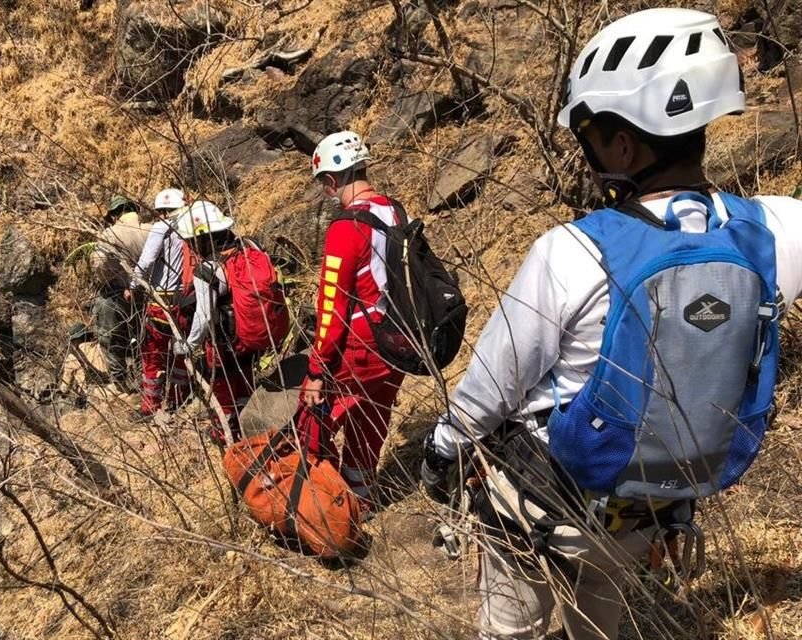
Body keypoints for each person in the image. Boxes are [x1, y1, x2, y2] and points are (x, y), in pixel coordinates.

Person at [421, 9, 802, 640]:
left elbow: (494, 383)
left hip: (548, 503)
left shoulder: (573, 250)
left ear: (623, 144)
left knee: (509, 630)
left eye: (593, 134)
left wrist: (444, 448)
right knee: (603, 622)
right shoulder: (774, 232)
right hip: (652, 509)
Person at [297, 131, 407, 513]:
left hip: (357, 350)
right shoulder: (395, 211)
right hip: (398, 343)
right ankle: (361, 499)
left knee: (313, 422)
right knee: (372, 422)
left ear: (331, 181)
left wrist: (315, 369)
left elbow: (331, 309)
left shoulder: (346, 228)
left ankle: (314, 504)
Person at [171, 200, 258, 444]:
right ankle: (249, 426)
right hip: (247, 333)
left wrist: (189, 345)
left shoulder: (207, 269)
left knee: (222, 387)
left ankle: (227, 435)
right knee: (245, 381)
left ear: (202, 239)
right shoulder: (248, 249)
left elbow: (204, 314)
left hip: (221, 340)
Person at [126, 188, 190, 420]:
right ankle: (177, 400)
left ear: (161, 210)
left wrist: (133, 286)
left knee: (152, 354)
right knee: (181, 353)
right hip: (188, 300)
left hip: (161, 302)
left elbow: (147, 260)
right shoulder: (193, 225)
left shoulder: (162, 227)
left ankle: (150, 406)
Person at [90, 196, 152, 389]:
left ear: (115, 216)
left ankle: (120, 382)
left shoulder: (110, 234)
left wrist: (107, 279)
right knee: (145, 335)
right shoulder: (152, 230)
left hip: (119, 292)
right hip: (151, 294)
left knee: (109, 336)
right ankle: (148, 376)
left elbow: (99, 263)